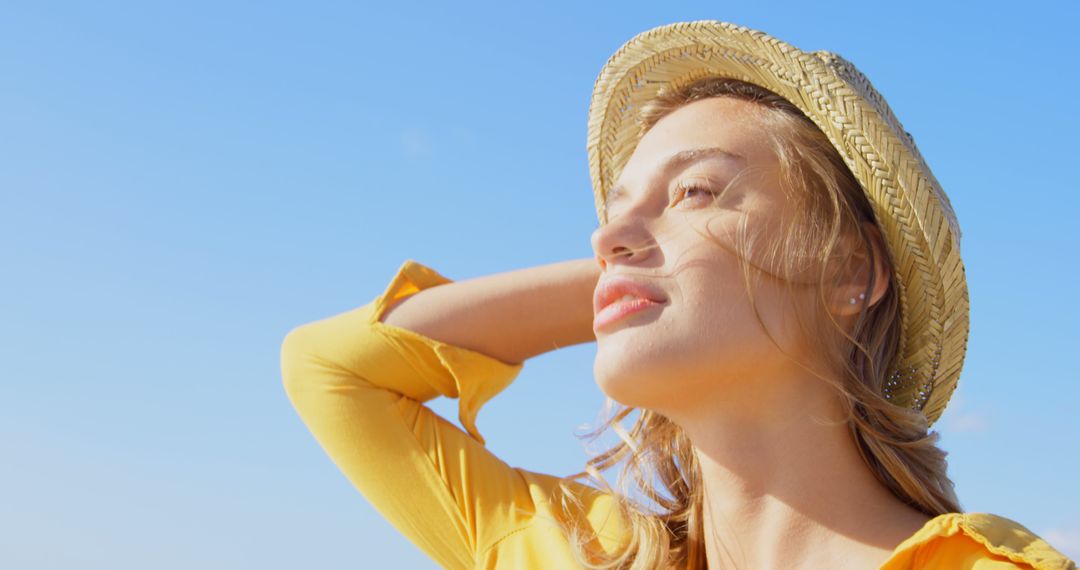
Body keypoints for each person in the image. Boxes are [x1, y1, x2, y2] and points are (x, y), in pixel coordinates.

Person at [280, 21, 1076, 570]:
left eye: (696, 189)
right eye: (614, 212)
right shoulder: (579, 551)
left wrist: (662, 276)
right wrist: (635, 276)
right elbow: (330, 369)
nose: (606, 239)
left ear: (850, 272)